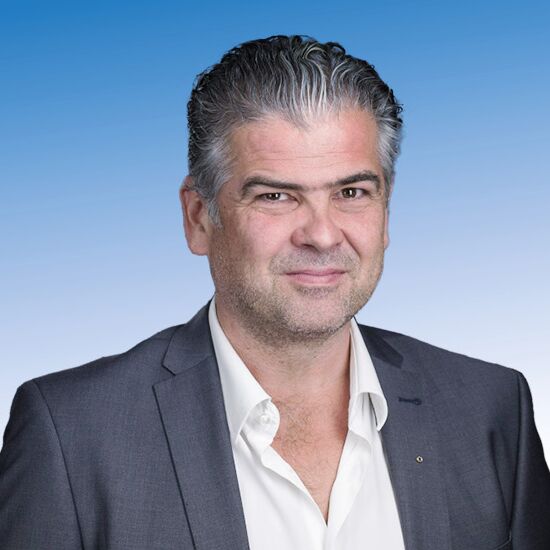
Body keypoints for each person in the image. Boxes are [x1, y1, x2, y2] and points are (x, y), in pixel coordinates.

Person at [1, 35, 548, 550]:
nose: (323, 235)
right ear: (199, 218)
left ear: (386, 212)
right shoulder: (71, 435)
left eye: (352, 192)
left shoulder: (491, 408)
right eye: (276, 196)